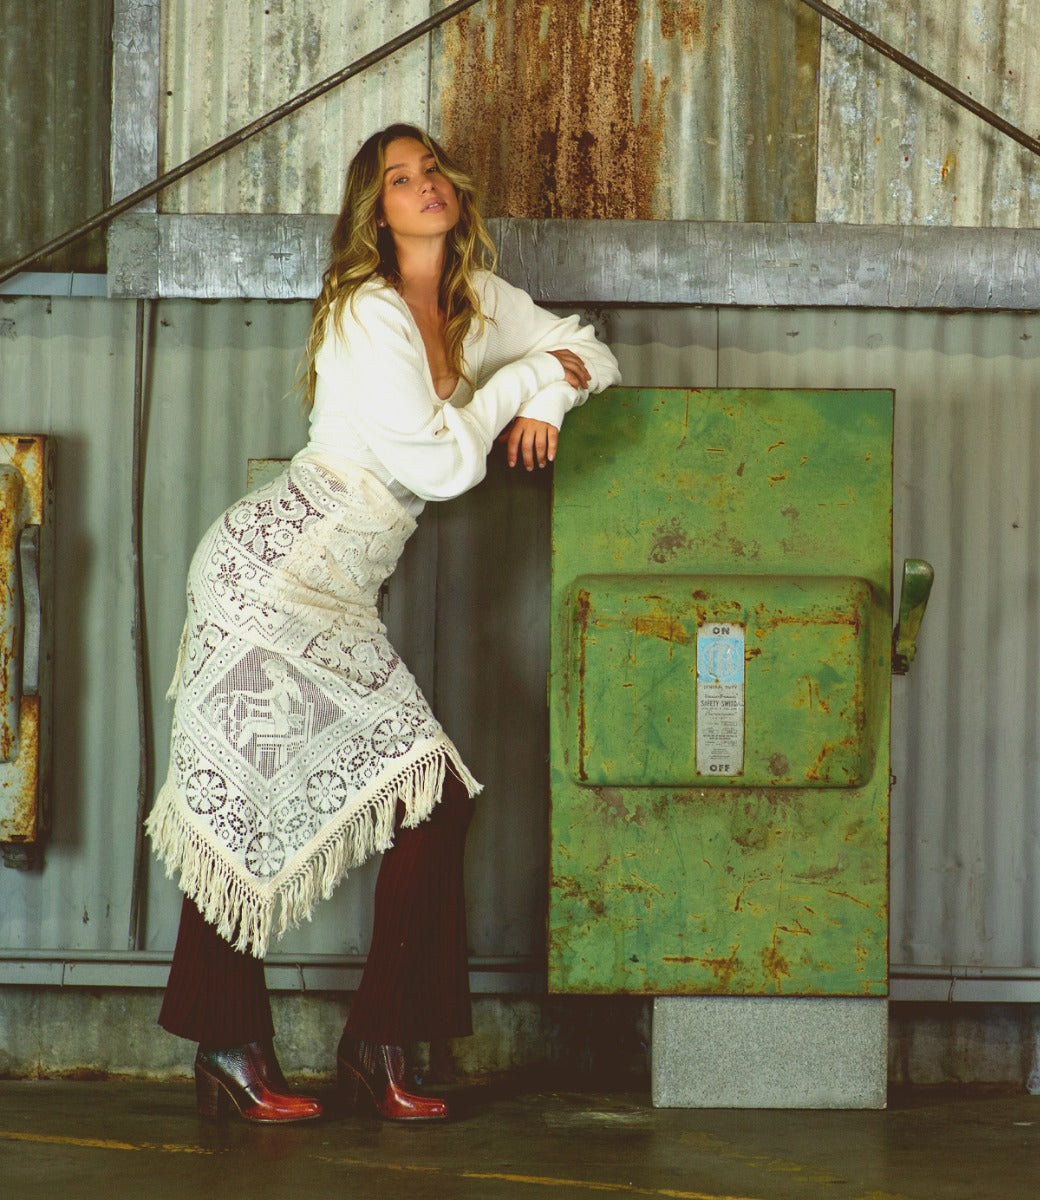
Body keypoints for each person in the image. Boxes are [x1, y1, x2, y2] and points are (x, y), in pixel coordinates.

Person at [146, 122, 621, 1124]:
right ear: (377, 210)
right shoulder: (365, 313)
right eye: (398, 179)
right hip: (267, 574)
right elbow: (442, 464)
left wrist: (553, 401)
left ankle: (376, 1046)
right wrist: (517, 389)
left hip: (335, 592)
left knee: (429, 801)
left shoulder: (479, 303)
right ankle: (232, 1049)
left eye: (431, 169)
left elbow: (587, 350)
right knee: (241, 796)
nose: (423, 186)